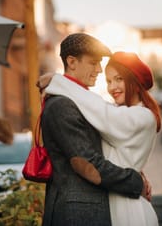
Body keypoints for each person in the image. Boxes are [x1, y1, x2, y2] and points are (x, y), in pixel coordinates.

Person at [39, 33, 150, 226]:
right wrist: (134, 182)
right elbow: (86, 164)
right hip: (77, 214)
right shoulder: (61, 105)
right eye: (93, 63)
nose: (99, 70)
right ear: (72, 62)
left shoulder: (82, 103)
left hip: (89, 210)